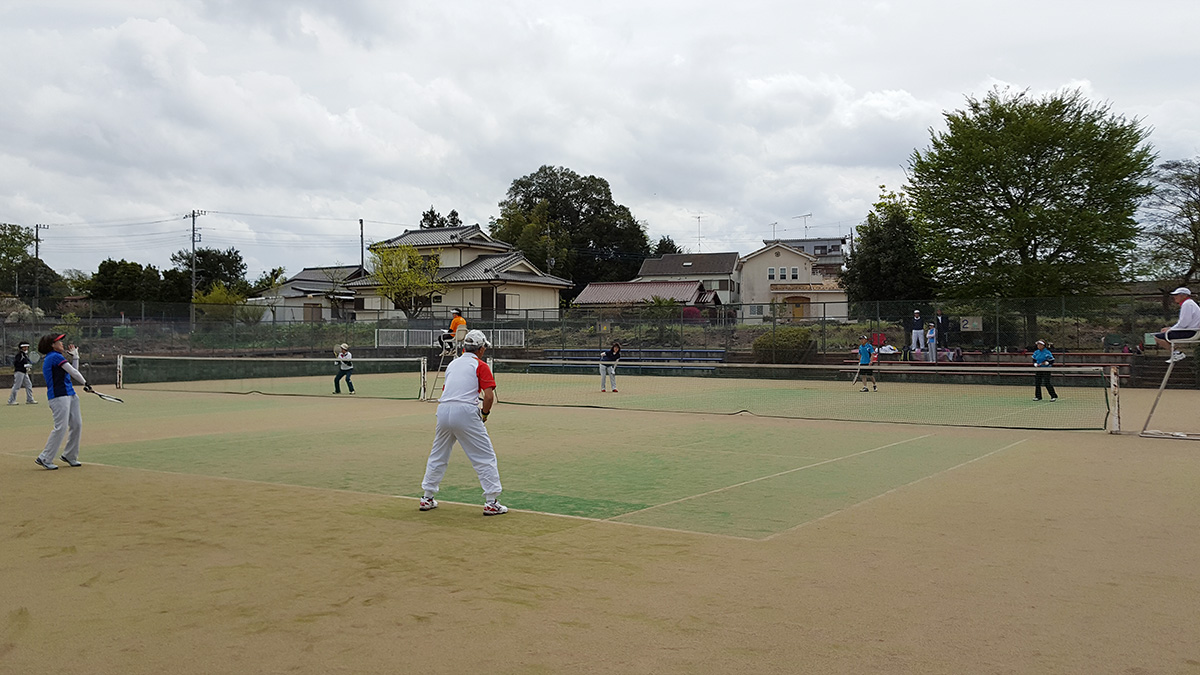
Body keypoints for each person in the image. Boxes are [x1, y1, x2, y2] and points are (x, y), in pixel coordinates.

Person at [419, 329, 507, 516]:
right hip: (465, 410)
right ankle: (491, 501)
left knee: (438, 454)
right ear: (481, 348)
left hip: (443, 409)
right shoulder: (480, 365)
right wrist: (484, 414)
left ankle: (427, 497)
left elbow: (448, 389)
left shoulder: (452, 364)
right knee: (484, 457)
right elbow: (489, 396)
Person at [35, 333, 88, 470]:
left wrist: (75, 357)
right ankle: (45, 457)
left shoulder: (58, 357)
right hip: (58, 396)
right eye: (59, 342)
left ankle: (70, 455)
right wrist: (86, 383)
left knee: (77, 424)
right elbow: (74, 373)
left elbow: (73, 371)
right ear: (52, 345)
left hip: (70, 394)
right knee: (61, 427)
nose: (62, 344)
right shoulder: (54, 357)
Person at [1154, 287, 1200, 363]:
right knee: (1164, 333)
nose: (1174, 297)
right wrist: (1170, 328)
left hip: (1190, 332)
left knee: (1157, 337)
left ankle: (1177, 353)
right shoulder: (1190, 304)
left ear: (1184, 296)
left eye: (1177, 295)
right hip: (1191, 330)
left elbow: (1184, 323)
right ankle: (1176, 352)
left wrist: (1170, 329)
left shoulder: (1187, 304)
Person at [8, 340, 38, 405]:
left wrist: (27, 367)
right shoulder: (19, 355)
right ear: (21, 348)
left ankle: (29, 399)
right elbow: (16, 363)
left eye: (27, 347)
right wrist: (24, 366)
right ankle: (11, 401)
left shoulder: (25, 355)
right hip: (19, 372)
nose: (26, 348)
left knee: (29, 385)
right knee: (17, 386)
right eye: (24, 347)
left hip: (24, 373)